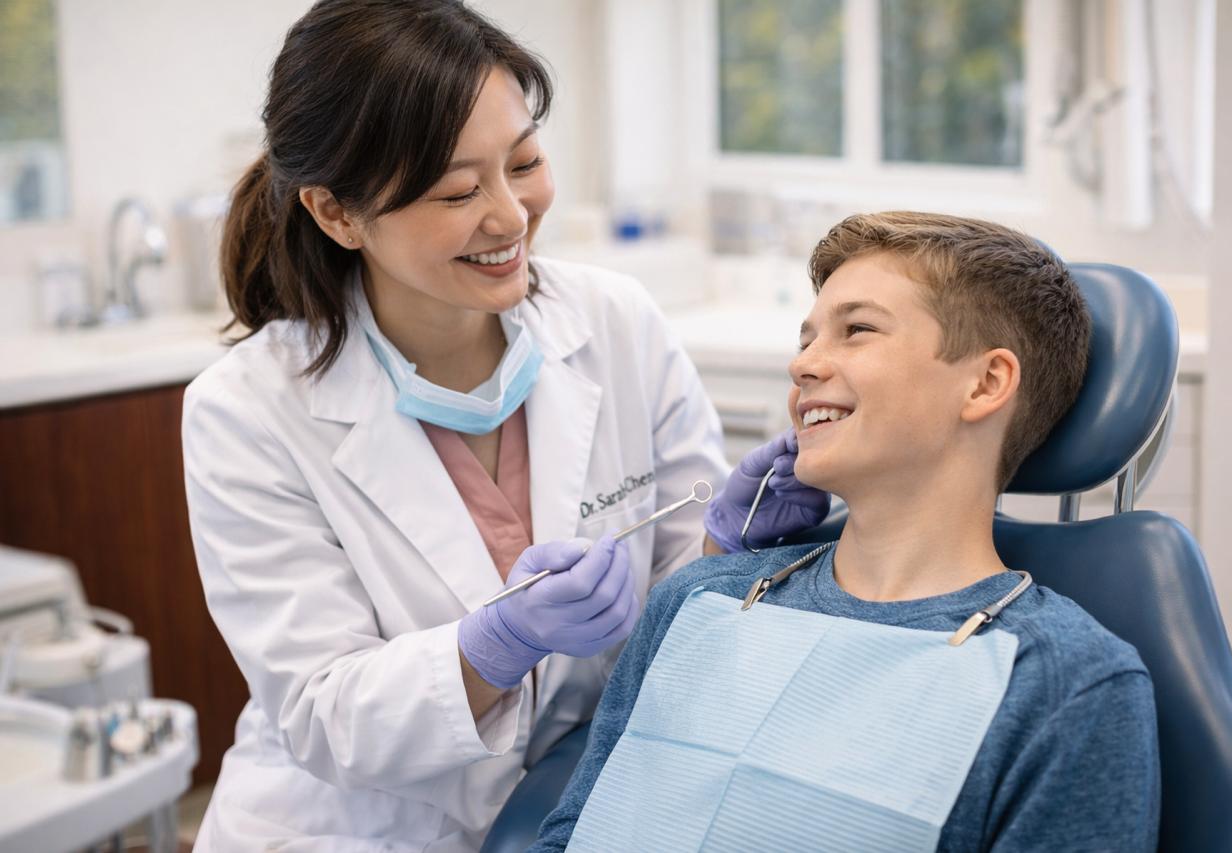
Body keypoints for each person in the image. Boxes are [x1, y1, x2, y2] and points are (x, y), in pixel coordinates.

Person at [181, 1, 828, 849]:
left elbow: (676, 593)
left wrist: (721, 547)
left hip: (579, 804)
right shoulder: (248, 409)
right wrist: (495, 643)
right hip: (355, 830)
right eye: (459, 191)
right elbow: (324, 713)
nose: (512, 215)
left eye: (524, 162)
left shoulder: (616, 322)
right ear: (337, 214)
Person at [531, 212, 1161, 852]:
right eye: (806, 339)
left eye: (856, 330)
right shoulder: (700, 598)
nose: (803, 364)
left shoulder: (1065, 684)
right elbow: (571, 835)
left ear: (986, 382)